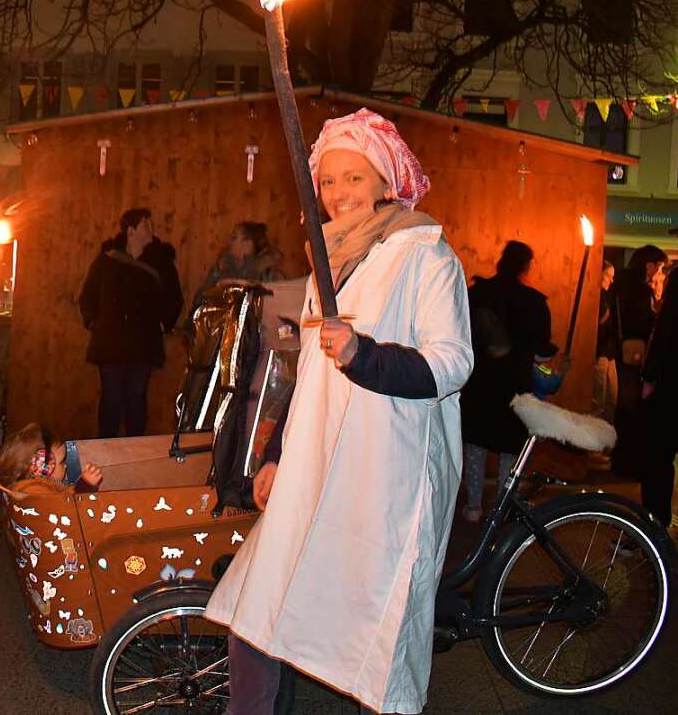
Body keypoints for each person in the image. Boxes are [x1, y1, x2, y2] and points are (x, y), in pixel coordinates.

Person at [204, 109, 473, 715]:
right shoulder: (324, 261)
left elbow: (452, 364)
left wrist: (365, 355)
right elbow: (311, 379)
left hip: (387, 477)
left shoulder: (425, 256)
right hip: (315, 463)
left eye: (354, 178)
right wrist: (276, 455)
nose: (338, 194)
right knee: (257, 605)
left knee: (376, 639)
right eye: (328, 181)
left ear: (385, 181)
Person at [460, 241, 557, 522]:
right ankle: (501, 506)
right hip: (515, 384)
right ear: (526, 265)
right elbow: (541, 350)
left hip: (479, 383)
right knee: (510, 449)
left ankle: (473, 506)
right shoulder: (534, 302)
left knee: (476, 444)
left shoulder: (478, 293)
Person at [79, 208, 183, 438]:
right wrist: (93, 322)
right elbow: (88, 294)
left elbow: (174, 298)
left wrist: (163, 325)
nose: (152, 230)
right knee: (111, 398)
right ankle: (105, 450)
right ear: (131, 230)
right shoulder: (108, 259)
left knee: (136, 398)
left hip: (143, 342)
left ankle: (133, 451)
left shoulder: (161, 262)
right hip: (110, 342)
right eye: (146, 225)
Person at [613, 244, 668, 478]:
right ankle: (631, 464)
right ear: (649, 265)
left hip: (622, 354)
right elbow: (643, 323)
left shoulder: (621, 284)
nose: (660, 274)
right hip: (635, 359)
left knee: (624, 410)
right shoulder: (639, 290)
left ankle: (622, 461)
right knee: (634, 410)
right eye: (660, 268)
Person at [187, 221, 284, 327]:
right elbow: (201, 297)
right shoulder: (222, 266)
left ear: (247, 243)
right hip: (217, 328)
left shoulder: (267, 271)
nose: (229, 242)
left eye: (234, 237)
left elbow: (272, 306)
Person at [640, 254, 677, 528]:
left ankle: (652, 526)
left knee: (658, 460)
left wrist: (649, 379)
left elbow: (665, 335)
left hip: (670, 390)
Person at [0, 422, 103, 494]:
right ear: (41, 466)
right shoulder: (34, 491)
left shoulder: (37, 484)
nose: (65, 465)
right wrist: (84, 486)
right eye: (61, 462)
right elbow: (63, 508)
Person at [593, 261, 620, 423]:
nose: (611, 280)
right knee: (600, 399)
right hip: (602, 353)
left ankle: (606, 437)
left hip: (608, 353)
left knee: (610, 397)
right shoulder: (597, 296)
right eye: (608, 276)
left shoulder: (605, 297)